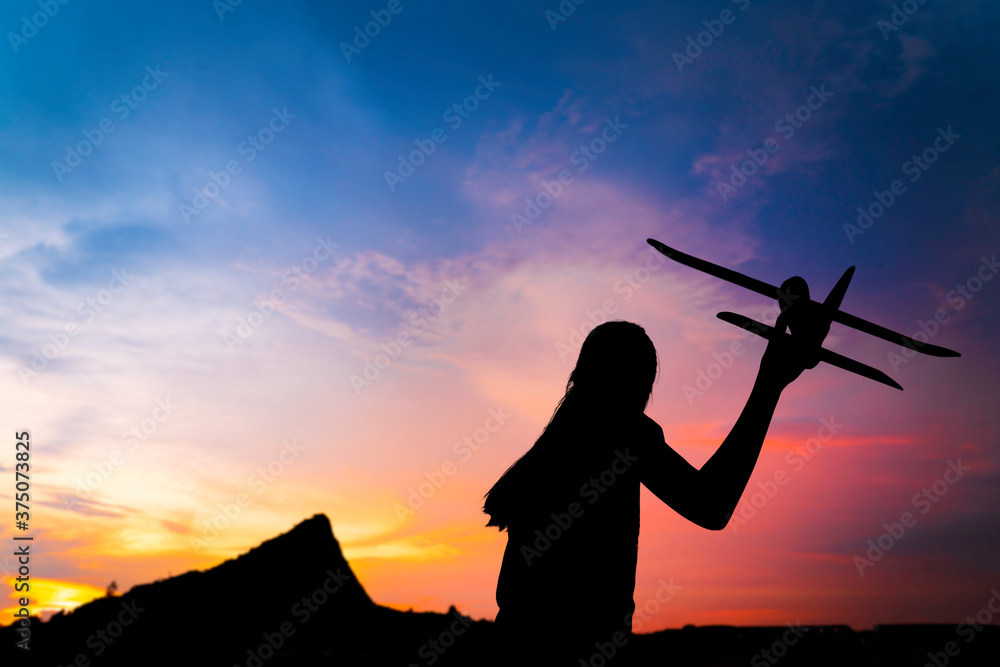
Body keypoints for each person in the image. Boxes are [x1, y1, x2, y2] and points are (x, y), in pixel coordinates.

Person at [482, 313, 826, 666]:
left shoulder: (557, 447)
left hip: (514, 652)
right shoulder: (625, 434)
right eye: (645, 382)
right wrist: (769, 383)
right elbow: (711, 506)